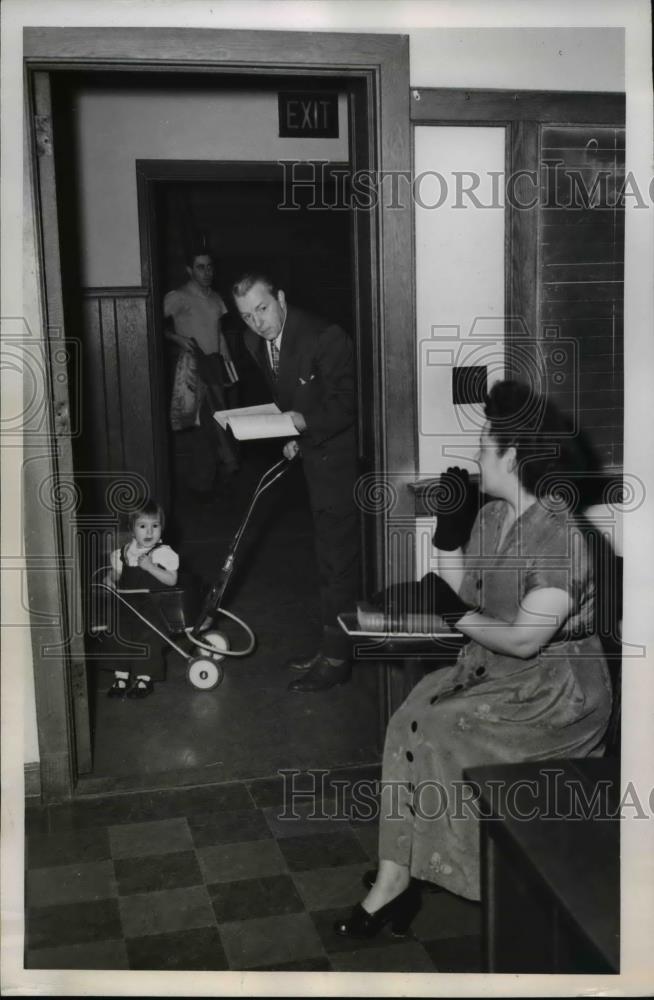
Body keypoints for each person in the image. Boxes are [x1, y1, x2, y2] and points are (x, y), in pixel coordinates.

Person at [333, 379, 613, 938]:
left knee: (437, 726)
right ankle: (397, 874)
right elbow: (472, 606)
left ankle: (466, 875)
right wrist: (449, 536)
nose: (475, 459)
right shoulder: (491, 519)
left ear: (513, 457)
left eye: (484, 449)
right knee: (408, 716)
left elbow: (525, 639)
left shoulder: (561, 537)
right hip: (499, 673)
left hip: (554, 694)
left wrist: (452, 613)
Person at [232, 272, 359, 693]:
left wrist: (305, 426)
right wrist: (292, 437)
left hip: (344, 463)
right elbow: (291, 398)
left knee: (337, 563)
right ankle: (330, 644)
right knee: (324, 560)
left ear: (281, 298)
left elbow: (347, 405)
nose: (258, 322)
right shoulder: (254, 343)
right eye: (248, 316)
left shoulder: (326, 335)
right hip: (311, 457)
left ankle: (338, 659)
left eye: (263, 309)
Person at [164, 250, 239, 497]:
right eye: (200, 267)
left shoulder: (216, 298)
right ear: (189, 270)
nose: (206, 272)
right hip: (192, 363)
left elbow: (218, 334)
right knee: (202, 423)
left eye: (209, 267)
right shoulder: (178, 296)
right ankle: (203, 483)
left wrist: (227, 359)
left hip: (215, 363)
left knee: (221, 419)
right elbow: (152, 322)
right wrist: (176, 337)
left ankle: (219, 474)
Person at [104, 500, 179, 698]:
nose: (149, 533)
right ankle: (121, 677)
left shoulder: (163, 553)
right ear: (132, 529)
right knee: (119, 634)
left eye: (155, 526)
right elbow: (117, 573)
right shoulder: (124, 552)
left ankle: (144, 679)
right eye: (142, 526)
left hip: (153, 607)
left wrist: (151, 568)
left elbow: (171, 580)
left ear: (161, 528)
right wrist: (110, 578)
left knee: (148, 639)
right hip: (128, 606)